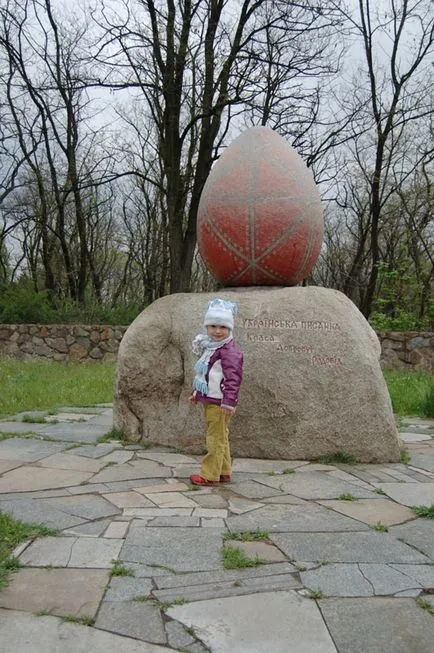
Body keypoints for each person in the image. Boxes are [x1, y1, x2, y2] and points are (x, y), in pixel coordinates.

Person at [188, 298, 244, 486]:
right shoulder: (211, 349)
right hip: (211, 400)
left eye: (223, 327)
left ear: (230, 329)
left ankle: (209, 475)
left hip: (220, 404)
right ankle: (224, 471)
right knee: (221, 436)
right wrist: (197, 394)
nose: (217, 331)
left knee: (215, 439)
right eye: (213, 326)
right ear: (207, 326)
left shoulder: (228, 352)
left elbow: (233, 379)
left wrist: (228, 402)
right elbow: (207, 376)